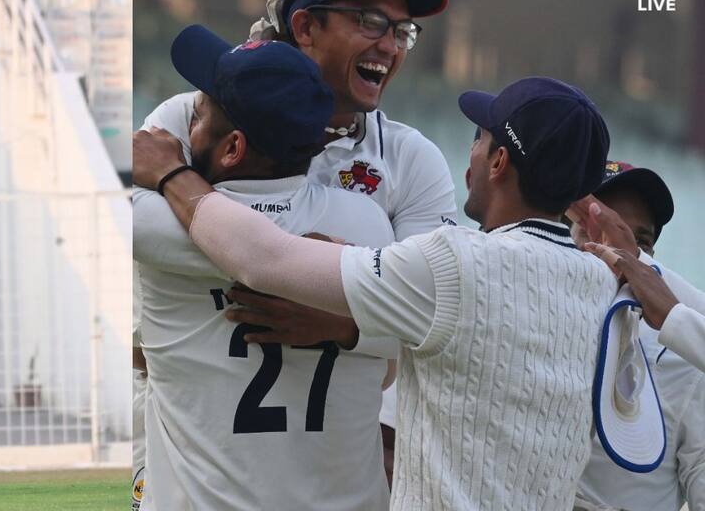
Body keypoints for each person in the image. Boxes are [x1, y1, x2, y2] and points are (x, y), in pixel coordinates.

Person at [134, 76, 616, 510]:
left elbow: (263, 260)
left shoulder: (454, 264)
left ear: (498, 161)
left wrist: (173, 176)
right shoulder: (600, 281)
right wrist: (353, 328)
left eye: (479, 139)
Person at [134, 0, 455, 494]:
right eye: (371, 22)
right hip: (197, 440)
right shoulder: (190, 115)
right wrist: (355, 294)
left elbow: (441, 319)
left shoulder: (412, 159)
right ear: (305, 26)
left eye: (402, 31)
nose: (390, 45)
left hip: (334, 451)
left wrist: (347, 324)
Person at [135, 25, 396, 510]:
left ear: (233, 149)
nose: (186, 126)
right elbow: (387, 370)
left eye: (199, 114)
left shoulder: (149, 225)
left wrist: (172, 171)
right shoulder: (366, 225)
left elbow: (146, 148)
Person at [570, 162, 705, 511]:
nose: (616, 253)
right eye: (595, 231)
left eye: (638, 242)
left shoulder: (681, 358)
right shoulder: (525, 327)